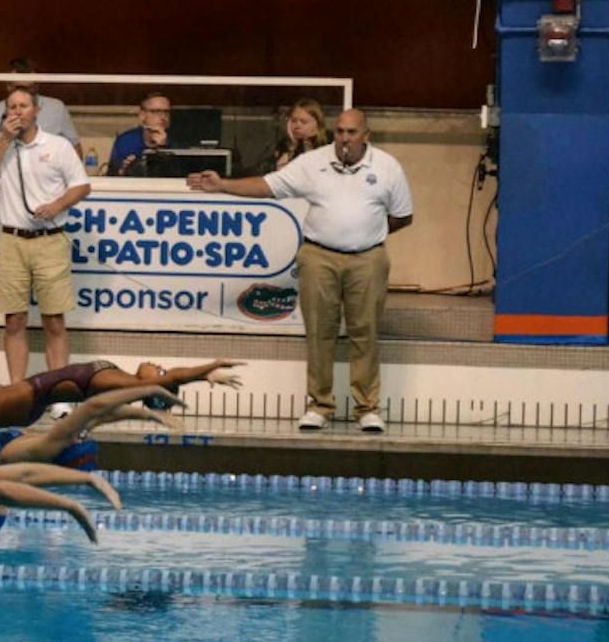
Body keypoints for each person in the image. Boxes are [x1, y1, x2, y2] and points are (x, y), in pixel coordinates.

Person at [187, 109, 412, 433]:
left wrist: (367, 234)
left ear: (366, 135)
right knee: (319, 332)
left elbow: (403, 215)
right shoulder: (312, 163)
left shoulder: (388, 167)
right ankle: (319, 406)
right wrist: (223, 184)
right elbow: (267, 185)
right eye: (340, 132)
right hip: (319, 255)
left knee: (366, 332)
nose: (344, 138)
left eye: (352, 133)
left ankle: (368, 409)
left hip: (368, 258)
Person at [0, 85, 91, 384]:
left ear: (36, 111)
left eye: (23, 106)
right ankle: (18, 390)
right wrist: (3, 140)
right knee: (14, 320)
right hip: (12, 241)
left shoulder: (57, 145)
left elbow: (82, 185)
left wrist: (57, 205)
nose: (17, 112)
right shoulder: (2, 147)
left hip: (50, 241)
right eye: (12, 107)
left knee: (54, 320)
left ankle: (58, 391)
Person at [0, 359, 239, 458]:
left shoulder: (124, 385)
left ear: (152, 387)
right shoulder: (123, 379)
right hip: (25, 399)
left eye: (160, 371)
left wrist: (209, 368)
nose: (157, 365)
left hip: (22, 397)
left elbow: (173, 378)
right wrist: (203, 376)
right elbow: (173, 376)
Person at [0, 59, 82, 158]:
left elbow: (75, 148)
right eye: (19, 88)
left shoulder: (56, 108)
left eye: (30, 88)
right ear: (8, 86)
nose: (24, 94)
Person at [104, 93, 171, 176]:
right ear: (142, 115)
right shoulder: (126, 140)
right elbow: (112, 175)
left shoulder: (177, 140)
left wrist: (161, 148)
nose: (163, 117)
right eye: (156, 112)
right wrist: (124, 169)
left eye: (166, 112)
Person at [274, 98, 330, 170]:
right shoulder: (284, 144)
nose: (297, 126)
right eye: (294, 121)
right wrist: (292, 145)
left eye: (303, 122)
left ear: (317, 123)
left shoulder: (329, 143)